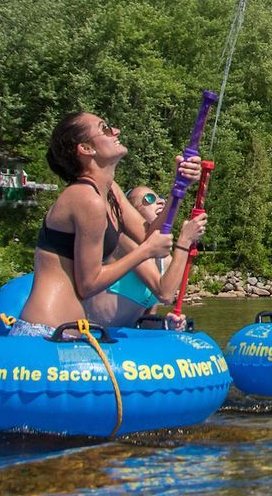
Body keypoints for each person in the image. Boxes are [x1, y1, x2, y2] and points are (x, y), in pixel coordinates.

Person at [12, 112, 180, 336]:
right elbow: (88, 284)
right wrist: (145, 252)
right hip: (44, 332)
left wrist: (179, 187)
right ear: (86, 149)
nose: (116, 131)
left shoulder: (110, 191)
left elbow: (148, 234)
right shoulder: (86, 198)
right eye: (105, 128)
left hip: (67, 332)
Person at [83, 179, 208, 329]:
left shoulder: (166, 260)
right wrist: (185, 240)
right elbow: (165, 294)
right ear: (132, 213)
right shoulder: (123, 241)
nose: (161, 201)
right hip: (94, 333)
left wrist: (167, 324)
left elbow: (147, 315)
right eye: (149, 199)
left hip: (126, 338)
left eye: (160, 197)